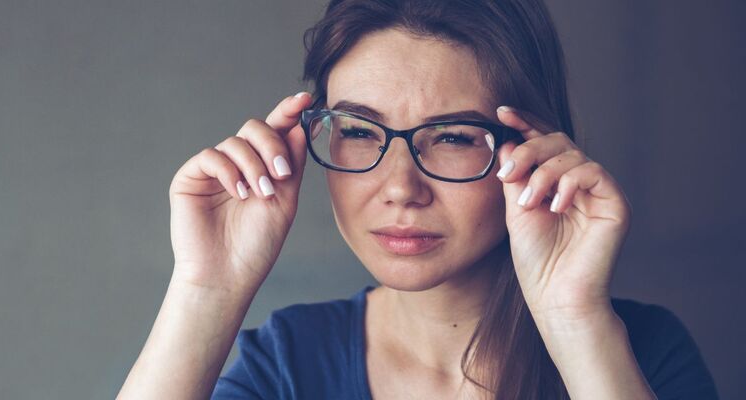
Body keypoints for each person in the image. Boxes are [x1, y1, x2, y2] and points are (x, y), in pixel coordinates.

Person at [118, 0, 718, 399]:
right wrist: (206, 290)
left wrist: (574, 321)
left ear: (534, 148)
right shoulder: (286, 366)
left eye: (454, 137)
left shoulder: (640, 355)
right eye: (357, 130)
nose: (401, 188)